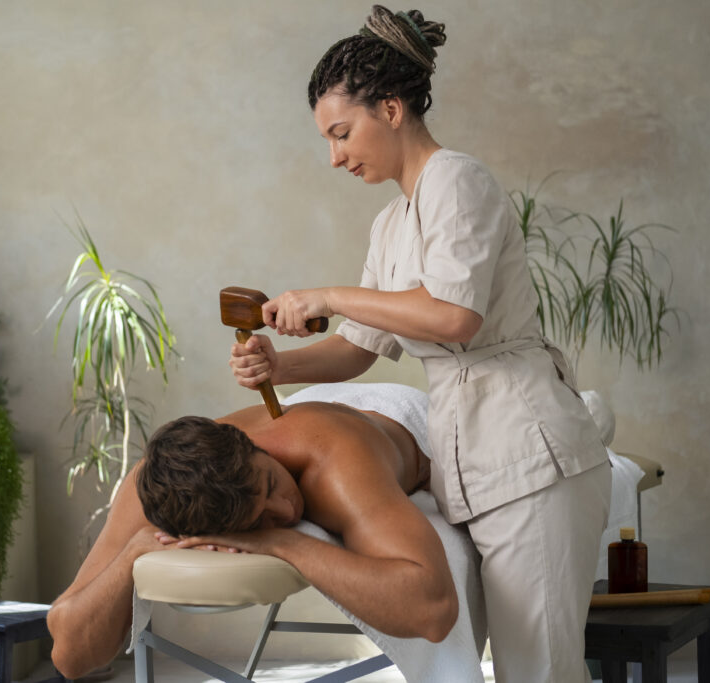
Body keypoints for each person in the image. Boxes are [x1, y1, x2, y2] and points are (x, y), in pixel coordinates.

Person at [228, 6, 612, 681]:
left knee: (541, 673)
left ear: (391, 108)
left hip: (530, 457)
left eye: (342, 133)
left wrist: (329, 296)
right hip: (473, 467)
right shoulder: (390, 224)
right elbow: (358, 348)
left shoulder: (457, 180)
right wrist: (277, 365)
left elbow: (454, 316)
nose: (335, 156)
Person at [47, 395, 458, 680]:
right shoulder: (155, 483)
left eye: (270, 483)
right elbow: (68, 656)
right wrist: (133, 551)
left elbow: (434, 611)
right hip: (319, 411)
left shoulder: (337, 464)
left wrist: (282, 543)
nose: (287, 511)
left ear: (252, 446)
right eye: (258, 521)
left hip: (403, 420)